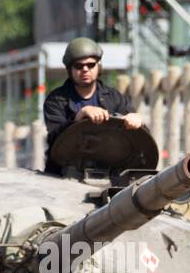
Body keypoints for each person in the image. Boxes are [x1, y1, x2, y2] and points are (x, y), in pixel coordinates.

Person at [42, 38, 145, 174]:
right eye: (78, 66)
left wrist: (138, 121)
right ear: (70, 69)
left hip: (110, 172)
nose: (85, 69)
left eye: (90, 65)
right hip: (65, 173)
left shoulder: (113, 97)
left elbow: (140, 138)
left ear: (98, 67)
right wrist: (78, 117)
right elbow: (54, 138)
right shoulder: (56, 100)